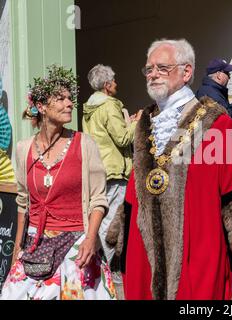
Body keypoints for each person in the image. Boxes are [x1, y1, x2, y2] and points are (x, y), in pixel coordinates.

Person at [119, 39, 232, 300]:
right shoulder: (145, 121)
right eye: (149, 69)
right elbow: (134, 192)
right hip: (145, 257)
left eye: (162, 68)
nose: (153, 74)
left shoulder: (219, 123)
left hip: (198, 255)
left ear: (186, 72)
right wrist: (122, 241)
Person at [0, 65, 116, 300]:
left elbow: (98, 199)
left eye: (70, 98)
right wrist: (17, 249)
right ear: (42, 107)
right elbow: (23, 203)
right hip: (35, 244)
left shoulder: (85, 144)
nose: (70, 103)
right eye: (60, 99)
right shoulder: (23, 149)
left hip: (77, 244)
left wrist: (91, 239)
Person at [82, 64, 142, 283]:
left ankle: (100, 272)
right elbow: (124, 138)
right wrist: (137, 121)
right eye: (114, 80)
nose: (117, 83)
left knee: (101, 222)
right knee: (113, 225)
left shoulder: (89, 108)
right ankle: (117, 276)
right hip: (114, 171)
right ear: (107, 86)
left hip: (97, 169)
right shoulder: (109, 106)